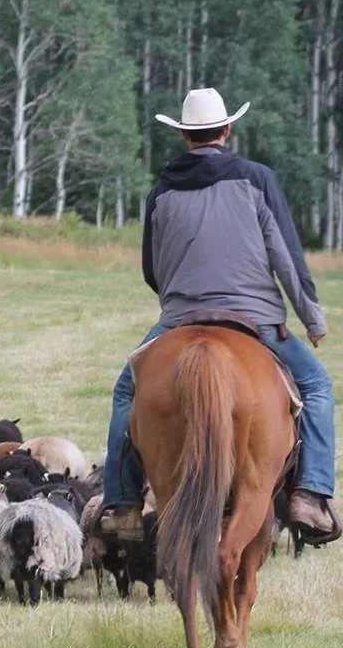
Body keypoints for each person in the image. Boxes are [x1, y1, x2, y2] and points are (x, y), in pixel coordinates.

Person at [99, 88, 339, 545]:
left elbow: (152, 267)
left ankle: (124, 502)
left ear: (186, 135)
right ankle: (310, 494)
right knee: (316, 386)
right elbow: (286, 256)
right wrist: (312, 319)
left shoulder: (162, 189)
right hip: (256, 319)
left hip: (180, 318)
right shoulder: (257, 178)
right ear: (227, 130)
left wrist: (178, 305)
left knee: (126, 393)